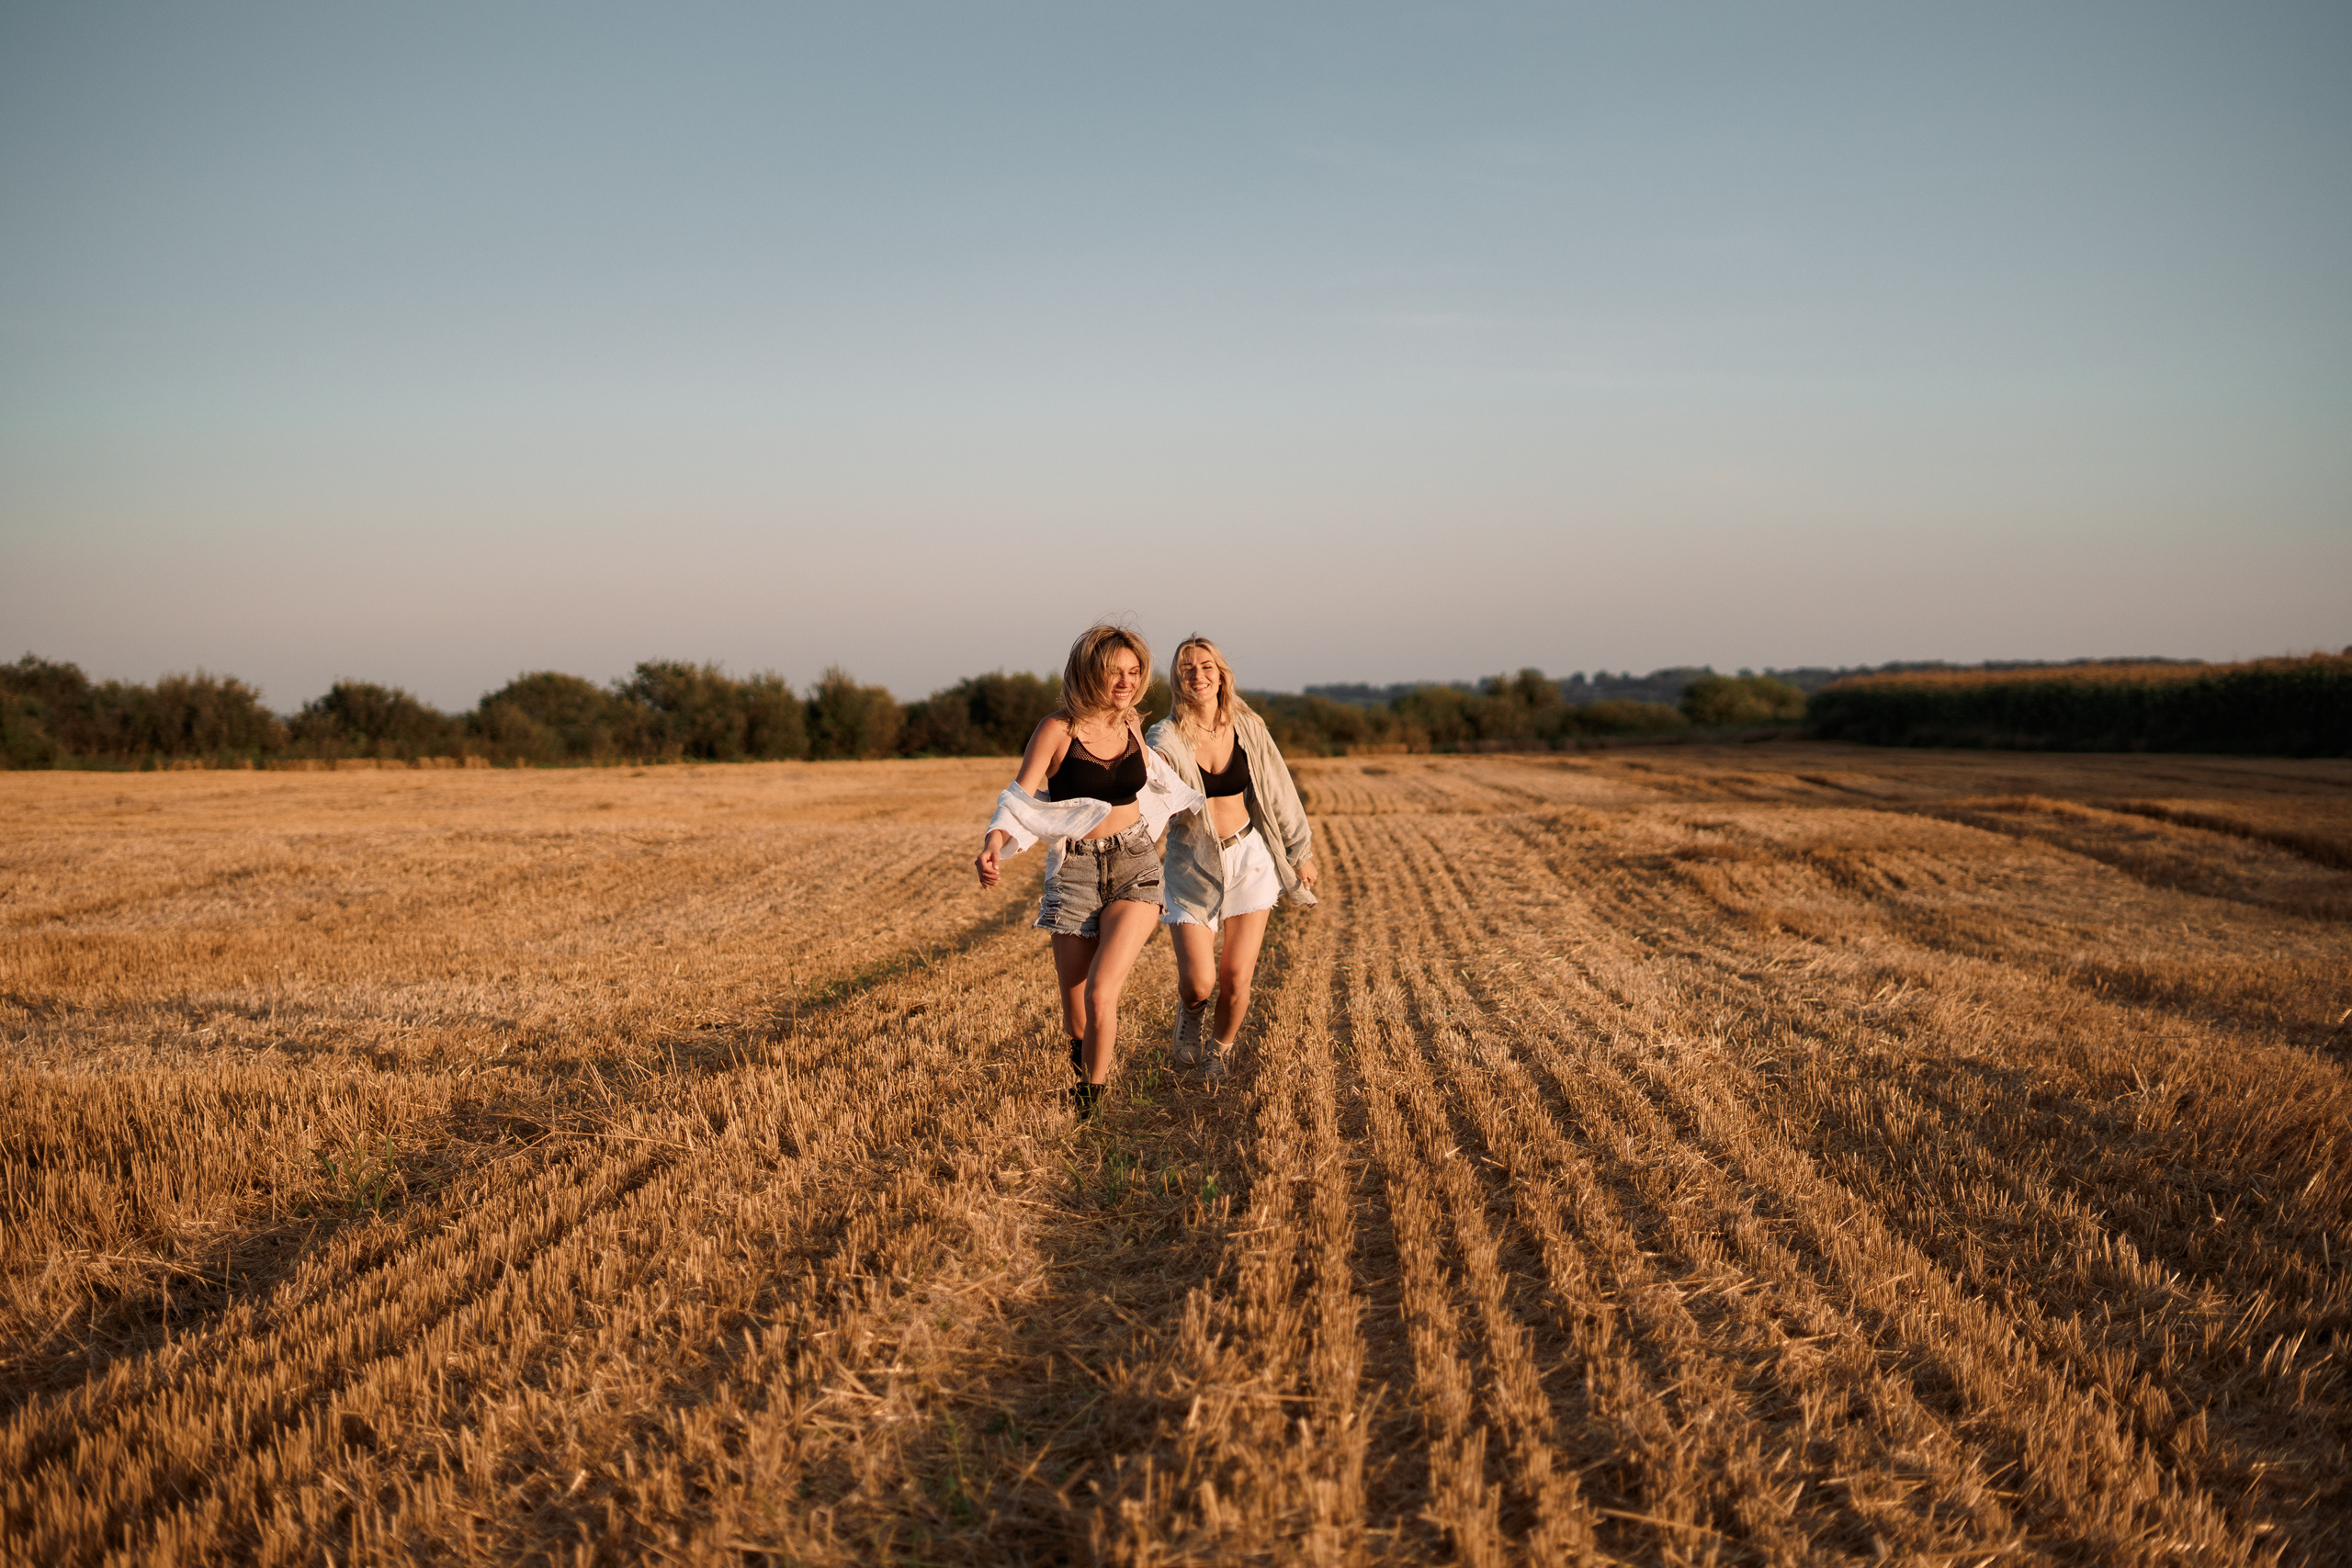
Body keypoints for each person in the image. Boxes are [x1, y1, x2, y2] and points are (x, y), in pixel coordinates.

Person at [975, 625, 1204, 1117]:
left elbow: (1156, 784)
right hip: (1074, 871)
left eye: (1134, 672)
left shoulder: (1132, 725)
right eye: (1114, 672)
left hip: (1135, 865)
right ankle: (1082, 1063)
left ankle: (1090, 1103)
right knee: (1076, 1011)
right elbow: (1019, 798)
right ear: (1088, 673)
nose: (1126, 682)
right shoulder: (1057, 731)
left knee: (1102, 992)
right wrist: (994, 842)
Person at [1145, 636, 1318, 1080]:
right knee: (1199, 982)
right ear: (1177, 679)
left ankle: (1217, 1052)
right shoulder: (1166, 734)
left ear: (1221, 675)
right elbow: (1154, 772)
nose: (1198, 675)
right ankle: (1190, 1011)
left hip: (1249, 859)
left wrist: (1300, 852)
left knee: (1237, 977)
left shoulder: (1248, 726)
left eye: (1207, 666)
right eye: (1187, 668)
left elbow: (1279, 788)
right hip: (1191, 863)